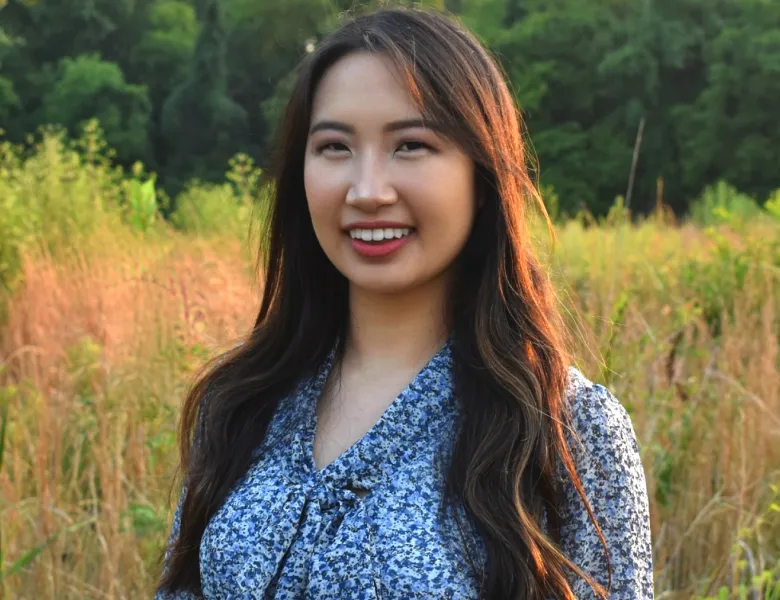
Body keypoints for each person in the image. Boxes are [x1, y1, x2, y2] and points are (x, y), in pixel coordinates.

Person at [155, 7, 653, 600]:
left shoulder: (569, 430)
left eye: (411, 145)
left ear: (482, 174)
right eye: (334, 147)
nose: (367, 191)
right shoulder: (241, 402)